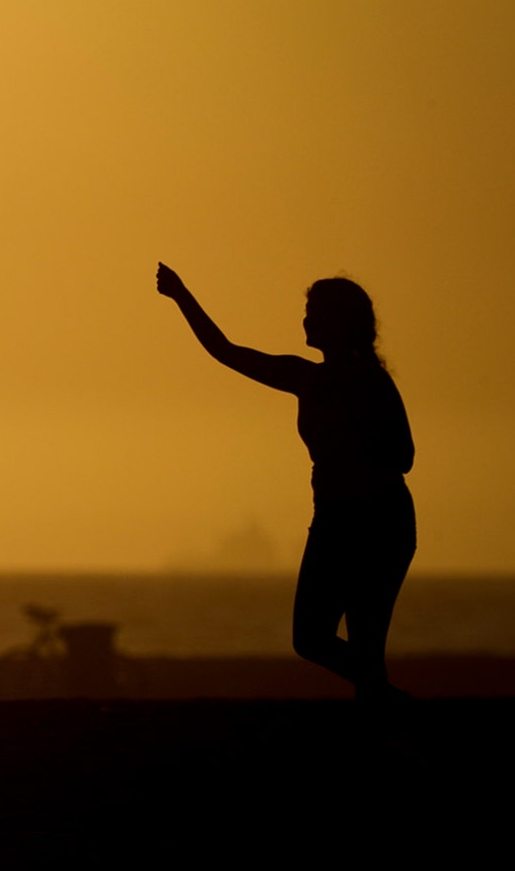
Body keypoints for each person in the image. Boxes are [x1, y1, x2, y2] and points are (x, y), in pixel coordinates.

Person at [157, 263, 414, 699]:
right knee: (311, 639)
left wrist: (351, 446)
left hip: (378, 522)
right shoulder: (306, 378)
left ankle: (388, 723)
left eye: (315, 312)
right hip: (332, 521)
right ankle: (392, 704)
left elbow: (403, 456)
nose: (306, 320)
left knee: (367, 643)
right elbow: (227, 352)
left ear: (340, 322)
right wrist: (182, 297)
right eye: (307, 310)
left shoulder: (372, 382)